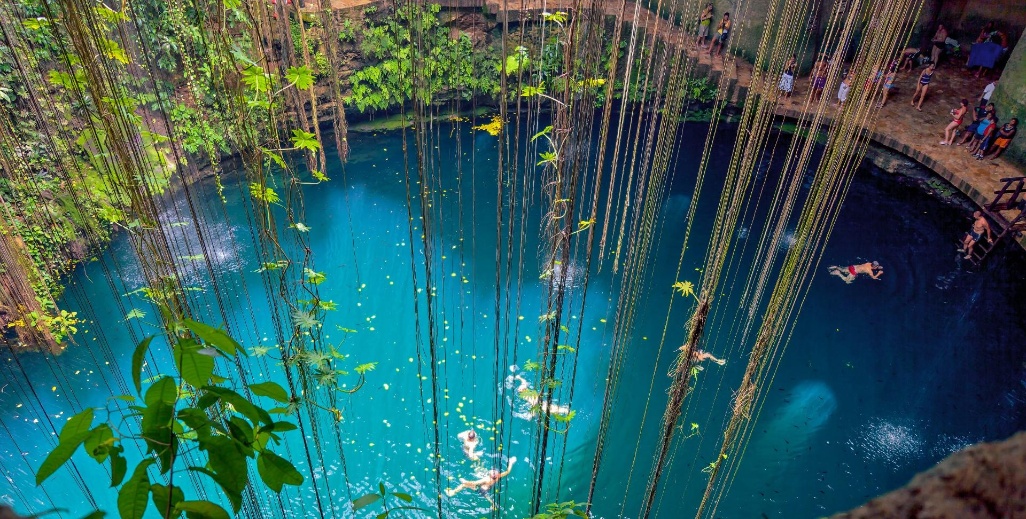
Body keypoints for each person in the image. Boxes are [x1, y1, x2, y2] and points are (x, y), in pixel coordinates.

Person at [445, 457, 517, 497]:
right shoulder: (498, 476)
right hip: (488, 488)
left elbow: (474, 483)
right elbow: (508, 471)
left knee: (463, 485)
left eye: (493, 471)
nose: (492, 470)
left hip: (481, 489)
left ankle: (452, 492)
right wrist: (511, 462)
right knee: (481, 469)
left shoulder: (486, 479)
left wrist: (465, 481)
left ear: (491, 475)